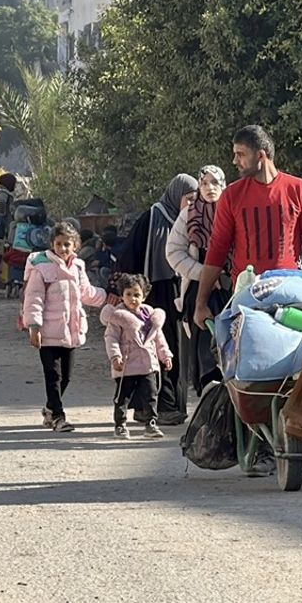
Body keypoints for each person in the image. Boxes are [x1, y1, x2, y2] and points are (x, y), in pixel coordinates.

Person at [193, 125, 302, 330]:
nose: (235, 161)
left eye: (240, 154)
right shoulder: (231, 196)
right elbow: (217, 250)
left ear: (261, 155)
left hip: (290, 295)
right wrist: (201, 304)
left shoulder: (299, 190)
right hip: (246, 297)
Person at [115, 173, 197, 424]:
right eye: (189, 199)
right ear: (176, 196)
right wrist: (132, 294)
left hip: (180, 289)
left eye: (196, 200)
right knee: (152, 347)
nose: (192, 205)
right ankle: (159, 407)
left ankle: (165, 406)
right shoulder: (152, 218)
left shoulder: (192, 221)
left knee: (175, 351)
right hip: (153, 293)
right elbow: (130, 256)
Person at [21, 222, 111, 433]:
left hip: (70, 331)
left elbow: (86, 293)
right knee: (53, 376)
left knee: (66, 377)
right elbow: (33, 298)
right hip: (47, 332)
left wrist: (108, 297)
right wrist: (33, 327)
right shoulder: (41, 266)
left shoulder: (78, 266)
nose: (63, 249)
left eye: (67, 244)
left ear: (75, 246)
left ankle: (50, 409)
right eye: (59, 244)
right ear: (52, 244)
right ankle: (59, 417)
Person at [166, 165, 229, 396]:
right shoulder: (189, 215)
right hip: (200, 289)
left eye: (215, 182)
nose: (210, 188)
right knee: (207, 350)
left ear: (223, 185)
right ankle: (210, 396)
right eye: (204, 183)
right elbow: (174, 253)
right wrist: (205, 274)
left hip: (233, 286)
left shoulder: (233, 210)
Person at [100, 273, 173, 439]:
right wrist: (115, 357)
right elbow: (111, 338)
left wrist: (165, 356)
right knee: (122, 398)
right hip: (126, 366)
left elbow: (158, 339)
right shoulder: (118, 317)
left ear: (144, 296)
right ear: (122, 296)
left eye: (137, 295)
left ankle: (151, 424)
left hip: (148, 364)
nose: (133, 299)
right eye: (129, 294)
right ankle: (120, 425)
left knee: (151, 395)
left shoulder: (151, 316)